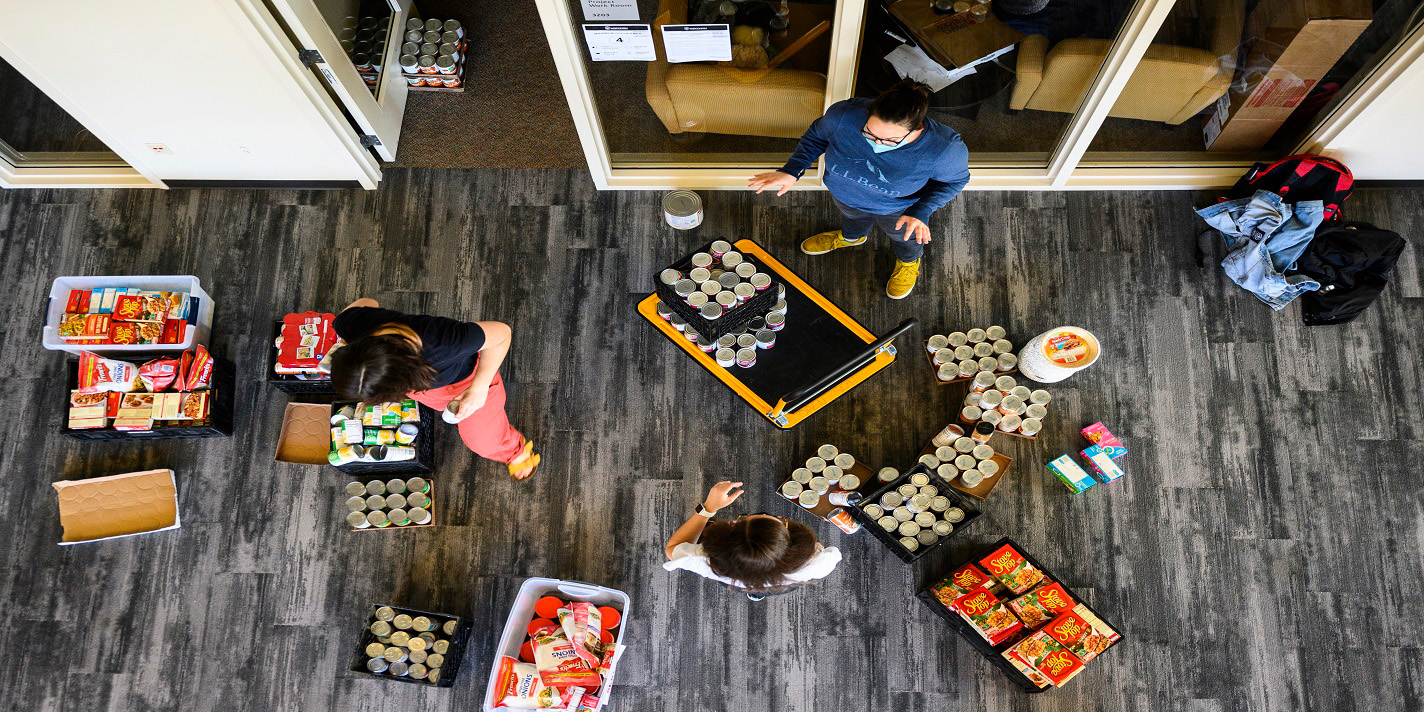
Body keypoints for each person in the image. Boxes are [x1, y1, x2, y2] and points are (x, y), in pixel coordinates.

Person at [748, 79, 971, 299]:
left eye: (890, 140)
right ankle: (853, 237)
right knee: (852, 219)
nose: (876, 143)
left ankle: (908, 262)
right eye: (869, 133)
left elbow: (954, 181)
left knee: (904, 239)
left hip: (899, 209)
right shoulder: (844, 115)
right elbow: (817, 136)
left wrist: (922, 210)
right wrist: (792, 170)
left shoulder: (944, 149)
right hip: (845, 194)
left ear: (918, 128)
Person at [329, 298, 539, 479]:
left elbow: (502, 333)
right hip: (430, 388)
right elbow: (368, 303)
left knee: (482, 441)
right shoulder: (351, 324)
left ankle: (513, 450)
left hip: (467, 382)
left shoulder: (442, 342)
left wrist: (480, 387)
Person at [664, 481, 842, 600]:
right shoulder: (819, 563)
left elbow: (672, 550)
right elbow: (829, 552)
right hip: (781, 582)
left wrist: (708, 509)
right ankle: (757, 594)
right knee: (766, 590)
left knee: (745, 586)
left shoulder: (702, 557)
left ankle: (753, 591)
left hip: (734, 579)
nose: (763, 514)